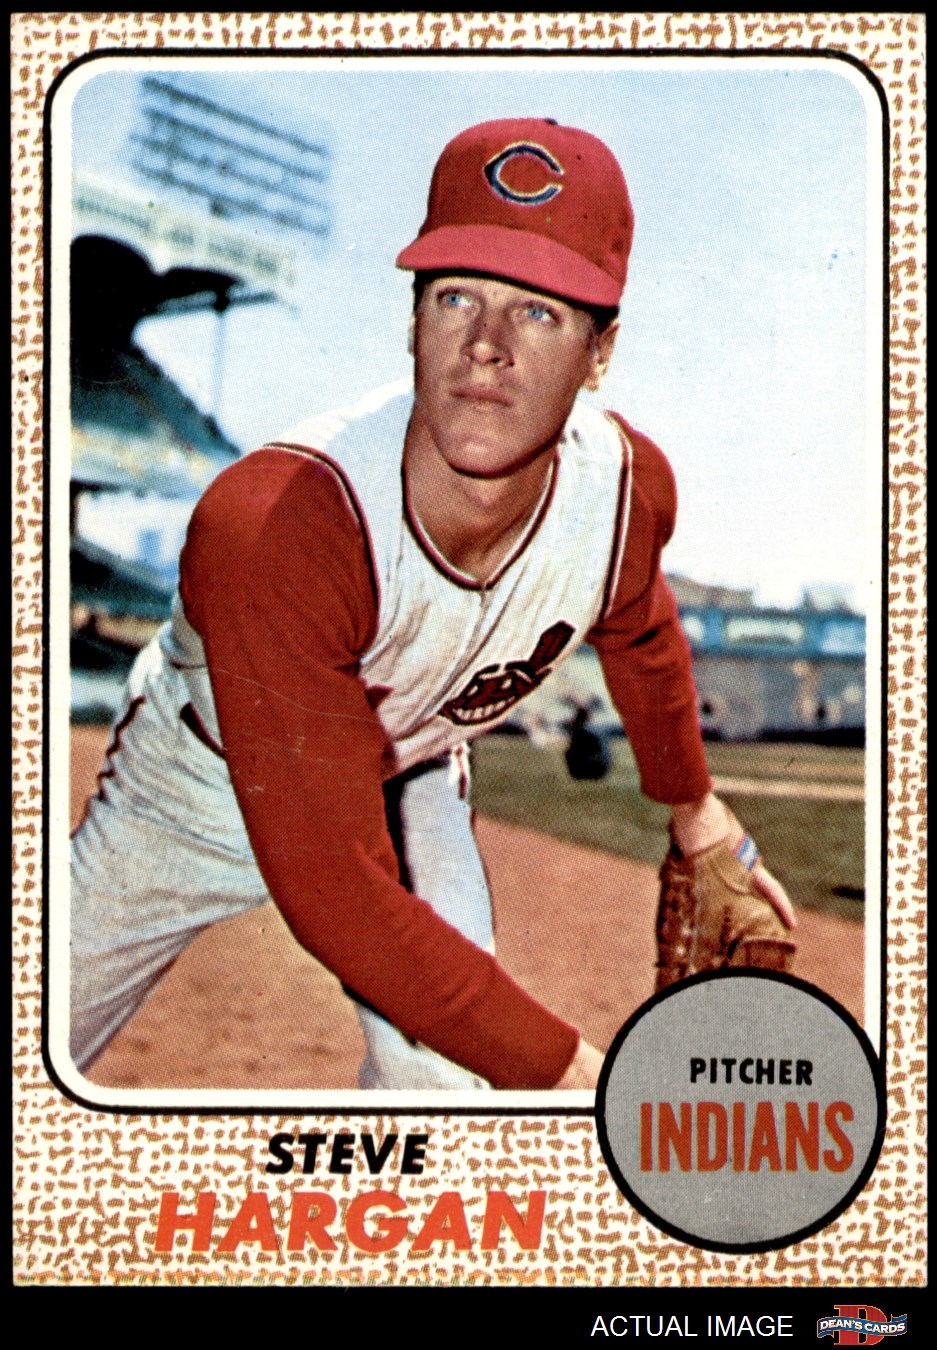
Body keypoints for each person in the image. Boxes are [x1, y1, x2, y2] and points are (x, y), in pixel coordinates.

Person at [69, 118, 795, 1091]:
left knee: (455, 1088)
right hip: (193, 787)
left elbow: (642, 628)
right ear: (412, 323)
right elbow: (339, 897)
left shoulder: (624, 492)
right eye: (456, 296)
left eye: (538, 312)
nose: (487, 346)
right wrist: (597, 1089)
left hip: (406, 773)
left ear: (600, 352)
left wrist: (696, 812)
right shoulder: (278, 521)